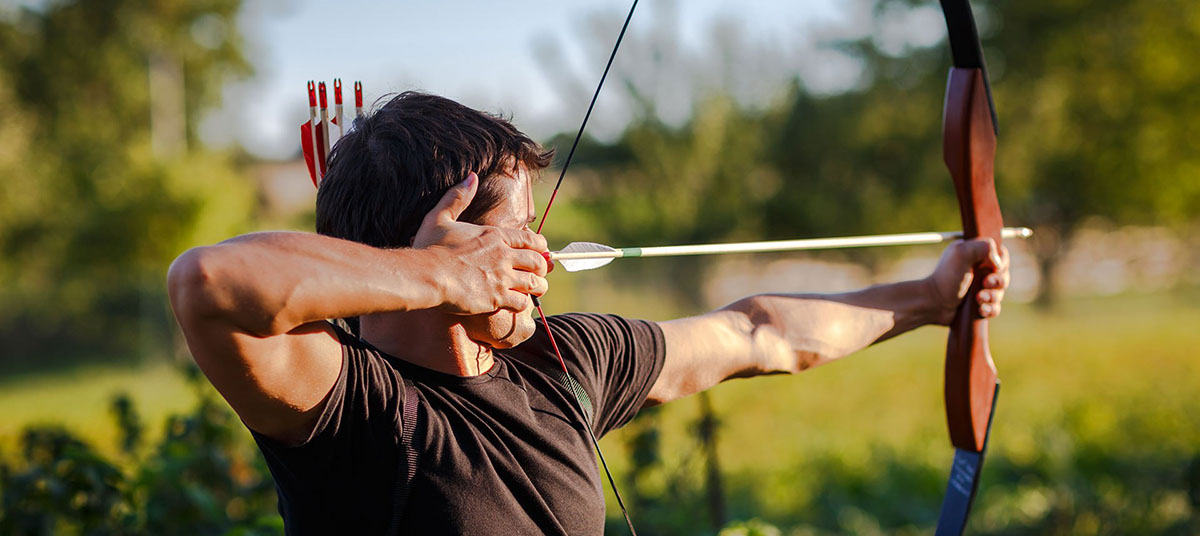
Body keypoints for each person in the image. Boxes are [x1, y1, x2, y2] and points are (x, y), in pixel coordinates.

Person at [167, 92, 1010, 535]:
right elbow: (208, 282)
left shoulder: (564, 362)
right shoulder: (351, 408)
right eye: (518, 230)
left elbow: (761, 333)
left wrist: (934, 298)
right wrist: (438, 278)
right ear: (447, 245)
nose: (542, 253)